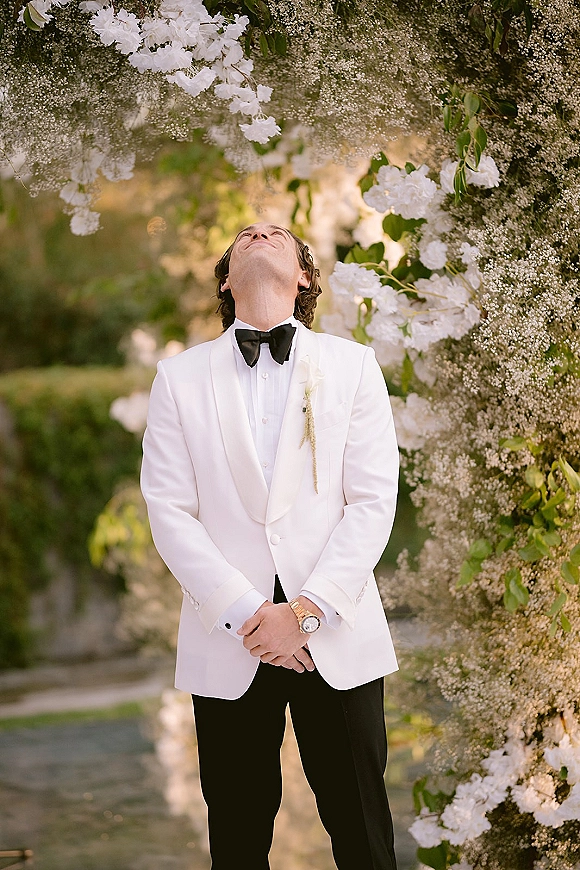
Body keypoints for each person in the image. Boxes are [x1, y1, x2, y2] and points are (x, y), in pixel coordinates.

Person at [140, 223, 400, 870]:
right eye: (245, 236)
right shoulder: (178, 378)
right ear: (227, 280)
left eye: (277, 234)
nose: (259, 231)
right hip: (232, 638)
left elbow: (373, 503)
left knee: (365, 837)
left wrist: (306, 612)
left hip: (333, 633)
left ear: (305, 277)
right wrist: (251, 614)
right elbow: (169, 510)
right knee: (237, 841)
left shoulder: (353, 366)